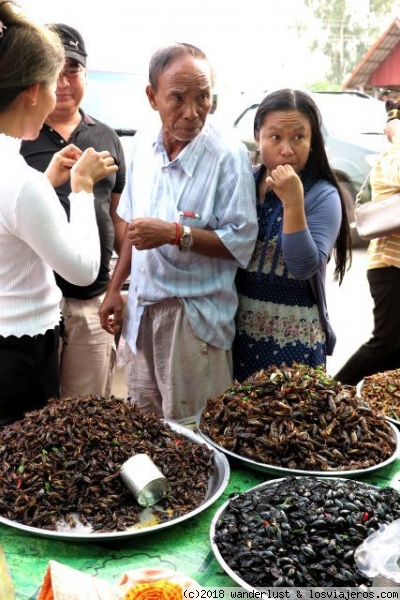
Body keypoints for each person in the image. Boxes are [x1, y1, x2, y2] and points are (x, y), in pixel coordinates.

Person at [99, 42, 258, 422]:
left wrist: (175, 233)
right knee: (146, 425)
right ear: (152, 97)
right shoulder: (142, 146)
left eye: (203, 97)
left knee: (194, 433)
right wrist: (114, 291)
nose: (192, 112)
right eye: (178, 98)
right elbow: (134, 230)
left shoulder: (227, 155)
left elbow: (241, 243)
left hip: (193, 319)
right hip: (142, 310)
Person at [0, 0, 118, 426]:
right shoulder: (19, 179)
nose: (57, 94)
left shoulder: (17, 172)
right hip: (19, 356)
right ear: (33, 90)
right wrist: (82, 188)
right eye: (53, 82)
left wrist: (46, 183)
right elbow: (84, 269)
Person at [20, 23, 126, 399]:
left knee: (86, 418)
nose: (63, 83)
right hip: (33, 305)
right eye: (55, 72)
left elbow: (118, 219)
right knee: (37, 418)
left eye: (73, 71)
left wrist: (119, 288)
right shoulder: (18, 135)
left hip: (91, 304)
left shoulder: (107, 137)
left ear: (86, 74)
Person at [232, 88, 352, 383]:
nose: (287, 149)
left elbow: (302, 267)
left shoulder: (323, 195)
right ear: (258, 136)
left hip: (295, 342)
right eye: (275, 137)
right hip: (239, 335)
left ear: (313, 141)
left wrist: (293, 202)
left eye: (299, 137)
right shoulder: (243, 182)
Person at [334, 100, 400, 385]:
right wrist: (398, 133)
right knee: (385, 343)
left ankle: (378, 411)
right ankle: (334, 391)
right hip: (389, 266)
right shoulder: (390, 156)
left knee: (397, 351)